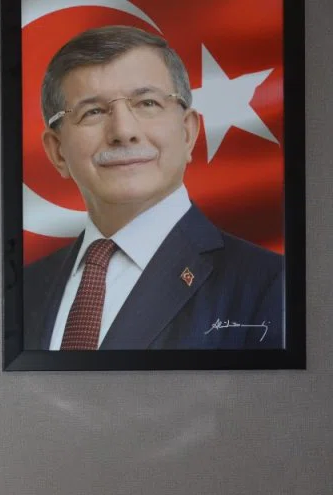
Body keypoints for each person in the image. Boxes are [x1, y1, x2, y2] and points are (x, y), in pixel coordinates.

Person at [24, 25, 283, 350]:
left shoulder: (270, 285)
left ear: (188, 133)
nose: (123, 131)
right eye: (93, 111)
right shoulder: (21, 290)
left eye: (147, 103)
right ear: (58, 152)